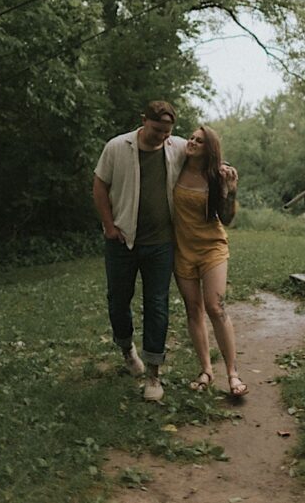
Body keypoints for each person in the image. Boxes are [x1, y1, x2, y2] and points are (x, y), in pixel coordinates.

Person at [93, 100, 187, 401]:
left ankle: (154, 374)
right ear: (143, 121)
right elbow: (99, 185)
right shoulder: (117, 147)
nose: (162, 136)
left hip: (160, 243)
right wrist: (109, 226)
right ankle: (126, 348)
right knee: (118, 301)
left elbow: (205, 153)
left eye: (167, 131)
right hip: (122, 241)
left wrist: (223, 166)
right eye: (157, 129)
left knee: (157, 304)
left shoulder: (177, 147)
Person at [172, 125, 247, 397]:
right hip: (182, 249)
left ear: (209, 148)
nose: (192, 142)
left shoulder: (216, 177)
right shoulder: (175, 168)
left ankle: (233, 374)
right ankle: (205, 370)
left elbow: (226, 219)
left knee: (215, 307)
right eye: (191, 137)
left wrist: (231, 190)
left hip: (212, 247)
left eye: (199, 141)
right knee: (193, 310)